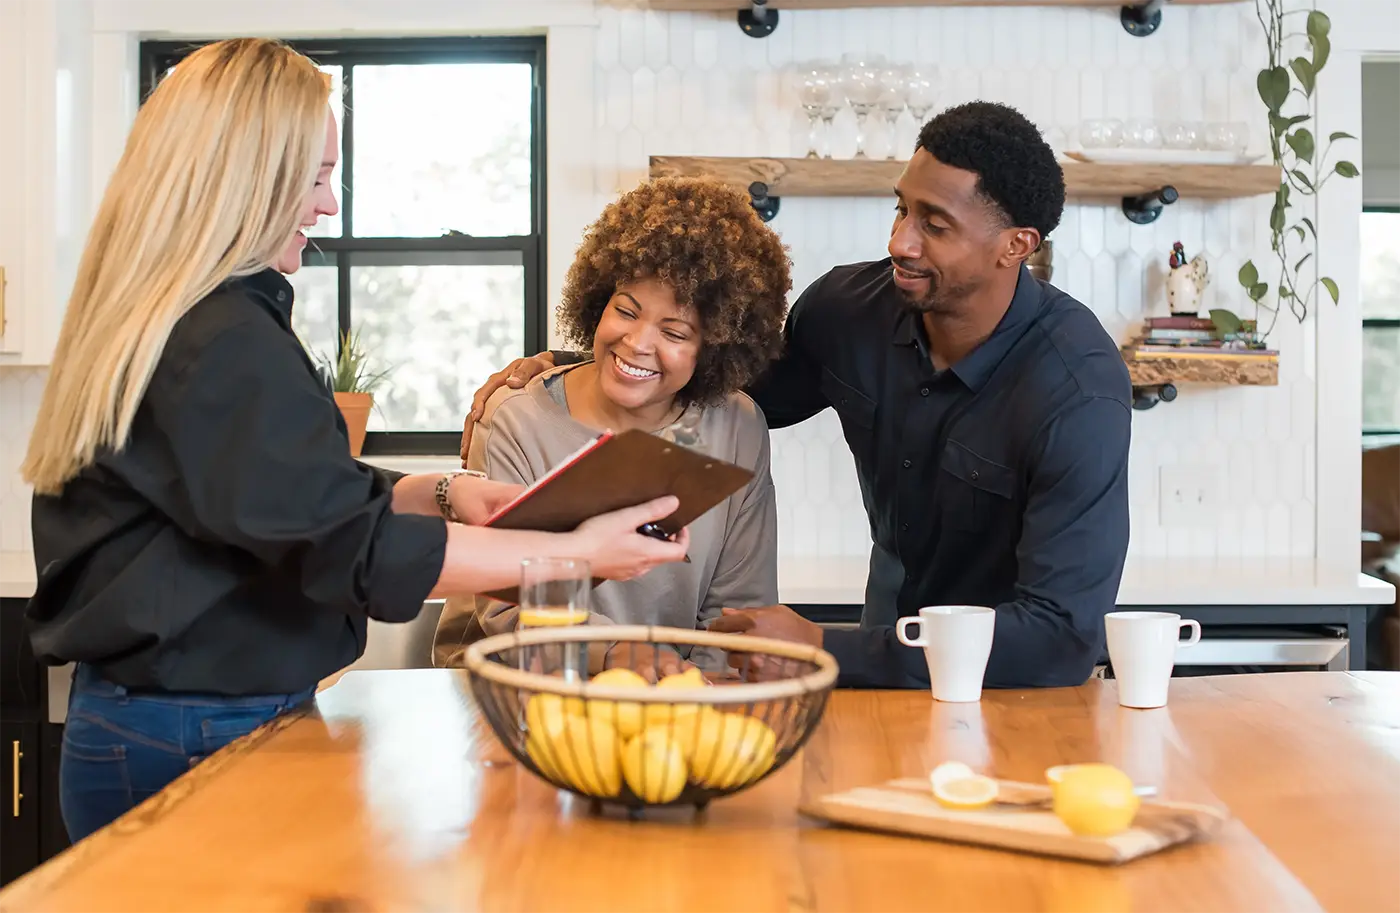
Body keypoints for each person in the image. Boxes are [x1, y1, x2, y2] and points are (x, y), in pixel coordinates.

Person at [21, 38, 688, 843]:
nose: (328, 205)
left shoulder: (187, 318)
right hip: (188, 733)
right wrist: (579, 555)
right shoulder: (221, 336)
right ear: (247, 180)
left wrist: (439, 490)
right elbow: (350, 551)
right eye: (316, 176)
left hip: (173, 723)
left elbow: (277, 499)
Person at [462, 101, 1133, 690]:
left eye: (934, 224)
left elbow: (1061, 636)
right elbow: (710, 377)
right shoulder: (850, 311)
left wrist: (823, 645)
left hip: (1017, 687)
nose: (899, 240)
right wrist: (571, 367)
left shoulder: (1078, 391)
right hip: (882, 678)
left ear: (1016, 246)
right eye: (902, 208)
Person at [434, 176, 791, 679]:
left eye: (674, 332)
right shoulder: (515, 417)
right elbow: (511, 610)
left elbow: (738, 610)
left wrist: (696, 691)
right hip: (514, 694)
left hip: (671, 704)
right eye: (625, 310)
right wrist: (621, 656)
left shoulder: (738, 427)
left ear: (715, 348)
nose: (637, 343)